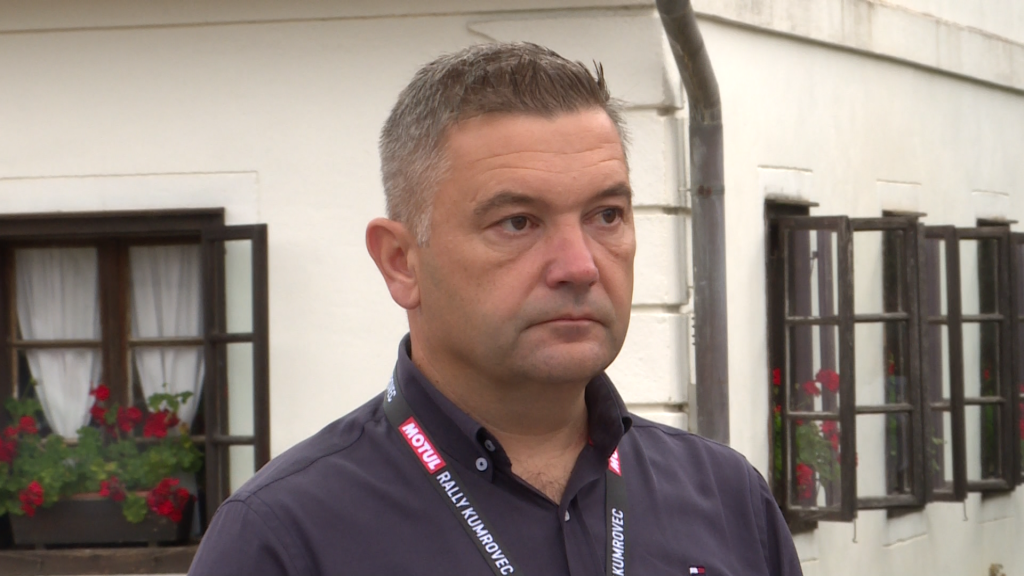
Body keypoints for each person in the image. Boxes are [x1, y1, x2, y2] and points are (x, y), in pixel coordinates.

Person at [188, 42, 802, 576]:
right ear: (401, 262)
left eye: (606, 215)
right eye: (517, 222)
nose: (580, 266)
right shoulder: (285, 536)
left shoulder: (728, 499)